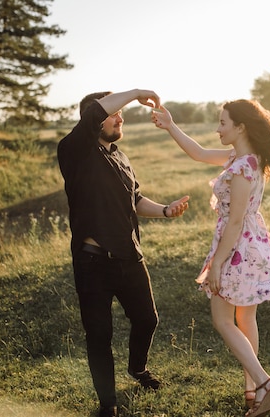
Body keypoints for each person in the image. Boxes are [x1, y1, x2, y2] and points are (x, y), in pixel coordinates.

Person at [152, 99, 270, 416]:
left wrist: (218, 263)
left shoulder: (240, 167)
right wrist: (170, 125)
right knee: (244, 318)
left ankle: (265, 384)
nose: (217, 128)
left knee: (223, 320)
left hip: (236, 249)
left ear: (240, 127)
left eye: (223, 123)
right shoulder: (247, 159)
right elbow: (198, 152)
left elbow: (235, 221)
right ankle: (251, 390)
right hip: (251, 245)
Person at [57, 89, 190, 417]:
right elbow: (98, 111)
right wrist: (134, 93)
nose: (121, 117)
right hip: (93, 263)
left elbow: (135, 199)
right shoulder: (74, 150)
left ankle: (138, 369)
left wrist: (164, 211)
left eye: (120, 113)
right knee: (99, 334)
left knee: (148, 319)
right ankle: (108, 404)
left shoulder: (119, 155)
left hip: (130, 257)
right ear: (93, 119)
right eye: (114, 113)